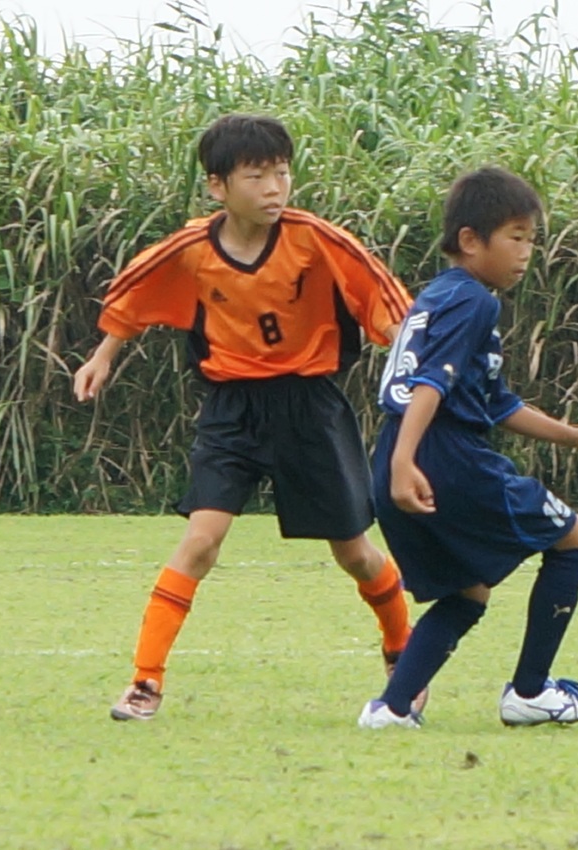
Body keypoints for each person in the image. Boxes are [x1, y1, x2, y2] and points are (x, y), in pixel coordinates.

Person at [72, 114, 420, 720]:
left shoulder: (316, 240)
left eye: (281, 173)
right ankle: (145, 682)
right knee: (200, 540)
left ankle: (403, 654)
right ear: (218, 186)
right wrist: (103, 355)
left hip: (309, 408)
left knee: (355, 553)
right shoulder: (192, 249)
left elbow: (386, 302)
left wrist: (411, 360)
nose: (273, 188)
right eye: (256, 176)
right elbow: (133, 291)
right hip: (231, 409)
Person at [356, 166, 578, 729]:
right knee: (573, 538)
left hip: (395, 452)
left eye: (532, 239)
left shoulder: (436, 296)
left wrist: (576, 435)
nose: (526, 252)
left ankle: (392, 708)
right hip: (441, 456)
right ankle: (530, 692)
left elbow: (496, 403)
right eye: (516, 237)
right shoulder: (475, 301)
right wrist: (409, 462)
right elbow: (431, 383)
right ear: (470, 240)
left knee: (468, 591)